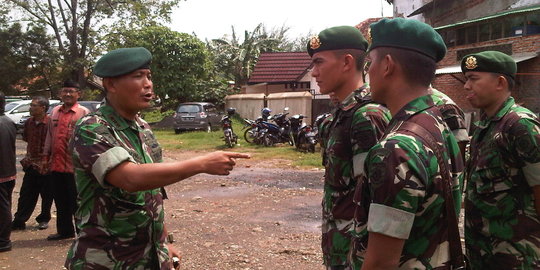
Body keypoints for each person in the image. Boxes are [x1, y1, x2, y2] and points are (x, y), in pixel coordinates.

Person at [65, 47, 250, 269]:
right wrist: (201, 164)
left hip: (149, 257)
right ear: (111, 85)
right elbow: (130, 178)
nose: (148, 84)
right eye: (137, 76)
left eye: (149, 76)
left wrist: (164, 243)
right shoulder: (92, 127)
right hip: (105, 260)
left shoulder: (142, 127)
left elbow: (153, 194)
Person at [350, 18, 464, 269]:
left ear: (387, 66)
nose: (367, 72)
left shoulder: (396, 148)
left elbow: (381, 263)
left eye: (370, 63)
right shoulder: (438, 124)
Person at [307, 26, 391, 269]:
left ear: (346, 62)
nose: (314, 72)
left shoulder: (367, 115)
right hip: (341, 245)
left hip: (357, 253)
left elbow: (377, 199)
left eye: (319, 62)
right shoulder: (344, 113)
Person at [461, 51, 540, 269]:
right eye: (467, 79)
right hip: (484, 257)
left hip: (517, 259)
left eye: (473, 78)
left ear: (500, 82)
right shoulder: (485, 127)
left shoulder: (520, 126)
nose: (466, 86)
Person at [43, 80, 90, 240]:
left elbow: (89, 139)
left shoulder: (84, 113)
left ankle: (83, 234)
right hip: (56, 165)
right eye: (65, 91)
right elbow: (50, 135)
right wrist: (45, 156)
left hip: (75, 168)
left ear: (79, 94)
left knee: (78, 202)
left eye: (71, 91)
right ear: (60, 93)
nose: (68, 94)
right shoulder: (54, 112)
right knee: (60, 200)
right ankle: (65, 231)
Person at [12, 96, 53, 231]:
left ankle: (43, 219)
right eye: (31, 105)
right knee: (26, 194)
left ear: (43, 108)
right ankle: (19, 220)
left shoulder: (50, 123)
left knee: (46, 194)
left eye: (34, 105)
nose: (31, 108)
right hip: (31, 164)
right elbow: (26, 139)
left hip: (46, 165)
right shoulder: (29, 122)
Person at [0, 91, 17, 252]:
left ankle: (3, 241)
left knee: (3, 209)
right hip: (8, 172)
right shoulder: (8, 121)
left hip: (3, 173)